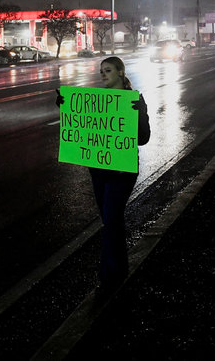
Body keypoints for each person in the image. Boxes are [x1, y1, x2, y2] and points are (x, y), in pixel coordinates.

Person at [56, 56, 151, 294]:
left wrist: (137, 114)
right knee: (110, 221)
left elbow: (143, 138)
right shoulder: (98, 100)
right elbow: (82, 124)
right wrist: (65, 105)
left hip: (122, 172)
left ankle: (110, 276)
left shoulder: (134, 99)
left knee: (111, 220)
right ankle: (119, 269)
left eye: (108, 70)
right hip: (99, 171)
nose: (103, 75)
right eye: (101, 72)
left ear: (120, 72)